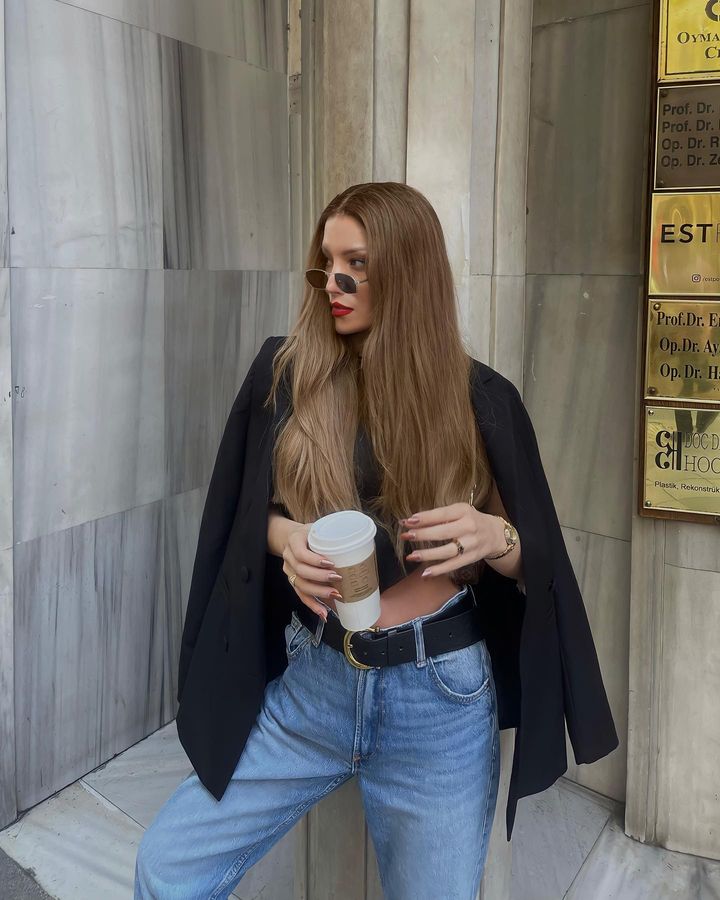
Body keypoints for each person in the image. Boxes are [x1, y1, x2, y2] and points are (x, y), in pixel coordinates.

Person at [134, 182, 618, 899]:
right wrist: (288, 540)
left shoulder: (482, 400)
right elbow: (243, 511)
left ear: (407, 270)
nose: (333, 282)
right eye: (326, 263)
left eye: (355, 264)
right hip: (315, 683)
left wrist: (495, 534)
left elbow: (535, 565)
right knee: (168, 868)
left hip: (439, 702)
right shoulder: (287, 375)